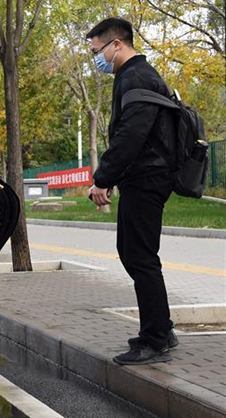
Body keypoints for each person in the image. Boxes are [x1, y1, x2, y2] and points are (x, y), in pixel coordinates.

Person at [86, 18, 179, 365]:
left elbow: (131, 136)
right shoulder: (131, 76)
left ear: (117, 44)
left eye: (97, 51)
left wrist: (103, 178)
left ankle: (155, 340)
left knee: (141, 257)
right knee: (131, 252)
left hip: (148, 178)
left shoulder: (137, 77)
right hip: (142, 177)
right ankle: (161, 328)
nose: (96, 59)